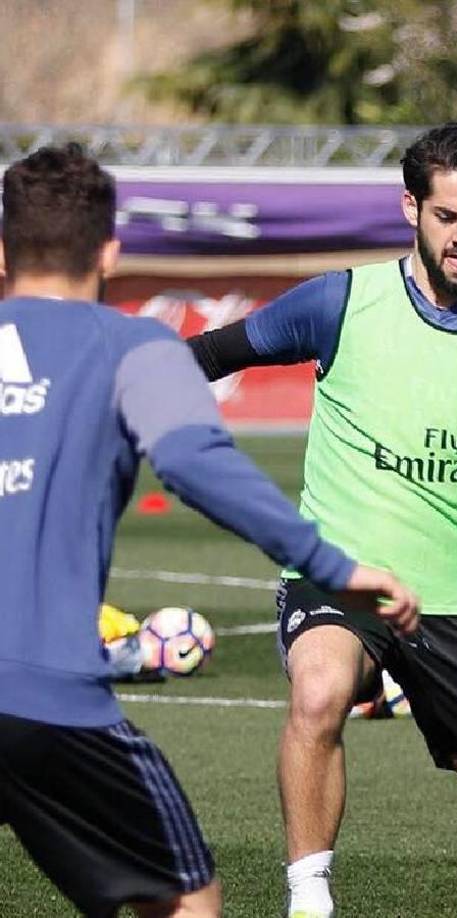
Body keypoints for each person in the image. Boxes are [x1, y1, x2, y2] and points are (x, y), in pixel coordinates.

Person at [188, 121, 457, 918]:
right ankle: (308, 898)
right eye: (446, 216)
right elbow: (211, 354)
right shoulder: (341, 300)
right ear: (411, 207)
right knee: (319, 692)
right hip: (344, 573)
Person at [0, 144, 418, 918]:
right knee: (187, 898)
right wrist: (332, 566)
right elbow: (195, 463)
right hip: (46, 698)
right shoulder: (131, 347)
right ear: (111, 253)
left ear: (2, 249)